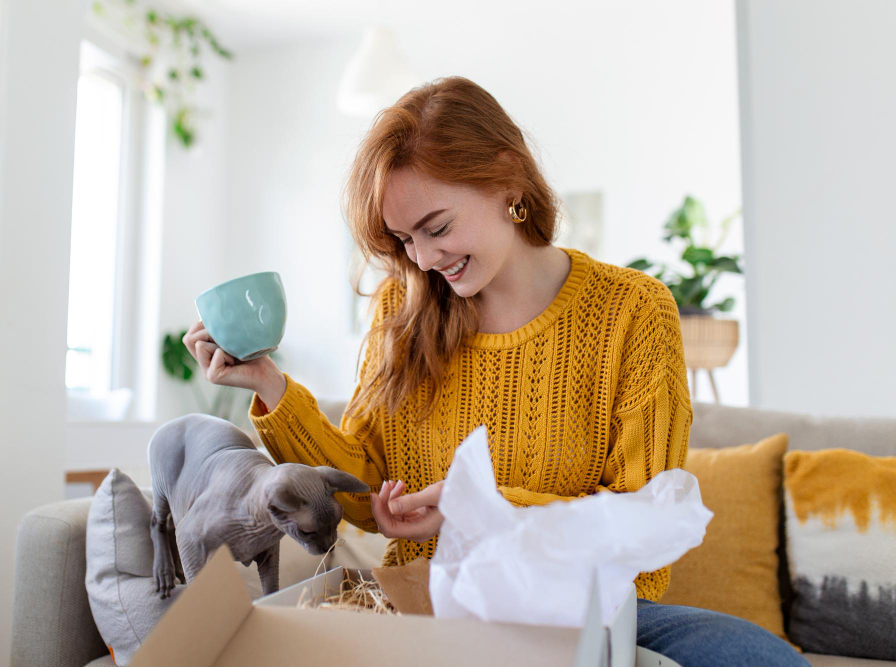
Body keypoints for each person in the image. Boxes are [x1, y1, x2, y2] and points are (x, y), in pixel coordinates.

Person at [182, 76, 807, 667]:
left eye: (437, 227)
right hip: (428, 610)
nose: (423, 260)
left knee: (755, 656)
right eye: (404, 241)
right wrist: (269, 383)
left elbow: (646, 539)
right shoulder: (403, 310)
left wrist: (475, 509)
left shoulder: (633, 311)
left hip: (578, 611)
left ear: (507, 180)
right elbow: (365, 496)